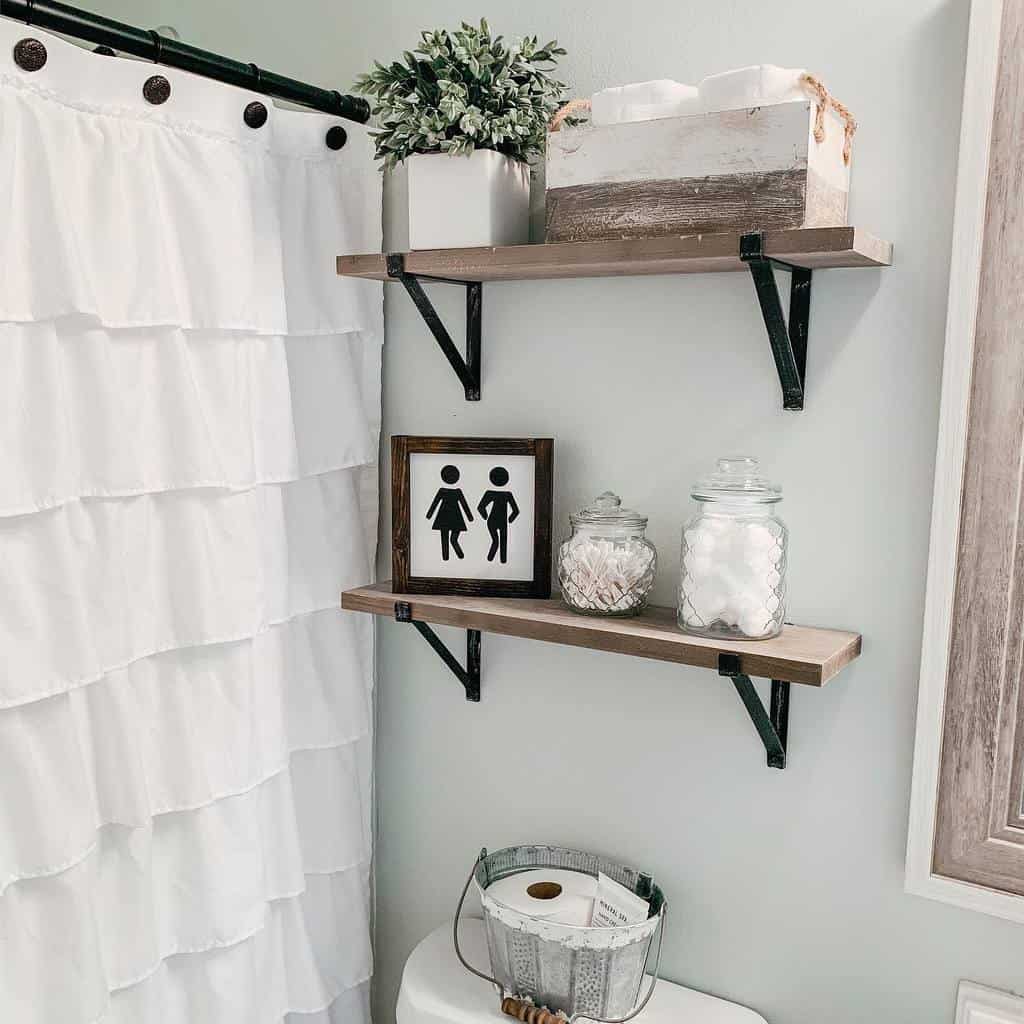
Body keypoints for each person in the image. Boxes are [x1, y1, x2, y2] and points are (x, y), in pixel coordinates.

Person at [426, 465, 473, 561]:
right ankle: (448, 557)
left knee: (448, 539)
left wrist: (429, 515)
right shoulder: (451, 491)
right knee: (447, 539)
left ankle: (452, 555)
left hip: (445, 517)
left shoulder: (450, 491)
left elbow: (464, 504)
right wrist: (469, 517)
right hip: (453, 517)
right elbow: (435, 503)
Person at [477, 467, 520, 564]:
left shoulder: (492, 493)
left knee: (497, 541)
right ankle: (496, 559)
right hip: (500, 521)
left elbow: (480, 507)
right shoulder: (506, 494)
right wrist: (510, 519)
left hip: (494, 521)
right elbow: (516, 511)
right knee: (499, 541)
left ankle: (496, 559)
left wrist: (485, 516)